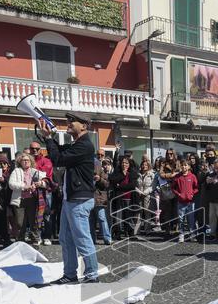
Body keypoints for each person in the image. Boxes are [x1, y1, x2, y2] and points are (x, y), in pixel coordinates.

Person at [39, 113, 100, 284]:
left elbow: (58, 159)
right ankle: (70, 274)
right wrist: (48, 137)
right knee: (65, 238)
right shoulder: (77, 145)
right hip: (71, 199)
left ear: (84, 126)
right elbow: (58, 151)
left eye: (72, 121)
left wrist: (49, 139)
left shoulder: (85, 146)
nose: (68, 123)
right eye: (68, 121)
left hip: (79, 199)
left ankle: (92, 275)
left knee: (82, 238)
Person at [8, 153, 45, 244]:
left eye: (27, 160)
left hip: (33, 199)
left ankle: (35, 240)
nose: (25, 161)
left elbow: (45, 182)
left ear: (31, 161)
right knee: (20, 222)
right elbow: (11, 184)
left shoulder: (35, 171)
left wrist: (39, 183)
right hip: (20, 200)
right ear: (20, 162)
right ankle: (20, 240)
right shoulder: (16, 171)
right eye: (23, 160)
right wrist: (24, 186)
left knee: (34, 221)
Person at [109, 155, 138, 241]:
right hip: (119, 198)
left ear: (129, 164)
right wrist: (122, 175)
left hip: (129, 198)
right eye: (123, 162)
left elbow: (132, 185)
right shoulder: (118, 172)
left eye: (126, 163)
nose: (124, 164)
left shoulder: (132, 173)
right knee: (118, 216)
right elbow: (113, 181)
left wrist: (120, 186)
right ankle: (117, 233)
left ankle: (131, 233)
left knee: (129, 216)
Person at [172, 158, 199, 243]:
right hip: (181, 202)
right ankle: (181, 234)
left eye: (185, 165)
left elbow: (196, 188)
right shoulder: (177, 177)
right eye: (182, 165)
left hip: (190, 203)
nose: (184, 167)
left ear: (189, 166)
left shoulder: (192, 176)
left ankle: (192, 234)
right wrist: (179, 194)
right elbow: (173, 188)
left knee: (191, 219)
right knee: (181, 219)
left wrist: (192, 194)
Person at [134, 157, 155, 236]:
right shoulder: (137, 174)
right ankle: (137, 231)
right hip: (138, 195)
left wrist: (145, 192)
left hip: (148, 195)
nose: (144, 166)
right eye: (143, 164)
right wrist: (138, 191)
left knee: (147, 213)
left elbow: (153, 186)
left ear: (149, 166)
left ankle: (147, 230)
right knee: (138, 213)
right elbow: (134, 184)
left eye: (146, 165)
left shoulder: (152, 175)